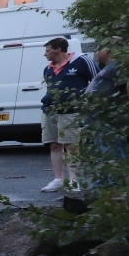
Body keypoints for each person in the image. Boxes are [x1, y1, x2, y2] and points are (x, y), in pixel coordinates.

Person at [39, 37, 95, 192]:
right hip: (50, 110)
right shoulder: (48, 69)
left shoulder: (81, 61)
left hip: (71, 111)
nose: (45, 54)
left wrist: (86, 101)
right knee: (54, 144)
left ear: (58, 49)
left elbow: (97, 80)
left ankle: (74, 181)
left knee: (72, 145)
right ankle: (58, 179)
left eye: (48, 50)